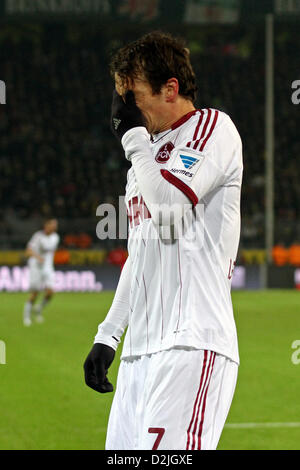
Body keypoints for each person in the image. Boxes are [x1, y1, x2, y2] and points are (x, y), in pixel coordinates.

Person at [84, 31, 243, 450]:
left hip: (192, 343)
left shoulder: (213, 128)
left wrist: (134, 141)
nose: (124, 112)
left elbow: (171, 206)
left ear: (170, 88)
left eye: (132, 98)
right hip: (140, 354)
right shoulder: (144, 162)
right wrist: (108, 335)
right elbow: (141, 254)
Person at [23, 219, 60, 326]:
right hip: (36, 266)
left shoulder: (55, 237)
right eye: (52, 225)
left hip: (48, 267)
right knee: (35, 293)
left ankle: (38, 309)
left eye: (55, 225)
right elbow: (28, 251)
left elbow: (47, 249)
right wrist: (38, 257)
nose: (54, 227)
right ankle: (26, 317)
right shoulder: (38, 236)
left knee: (50, 292)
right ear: (46, 225)